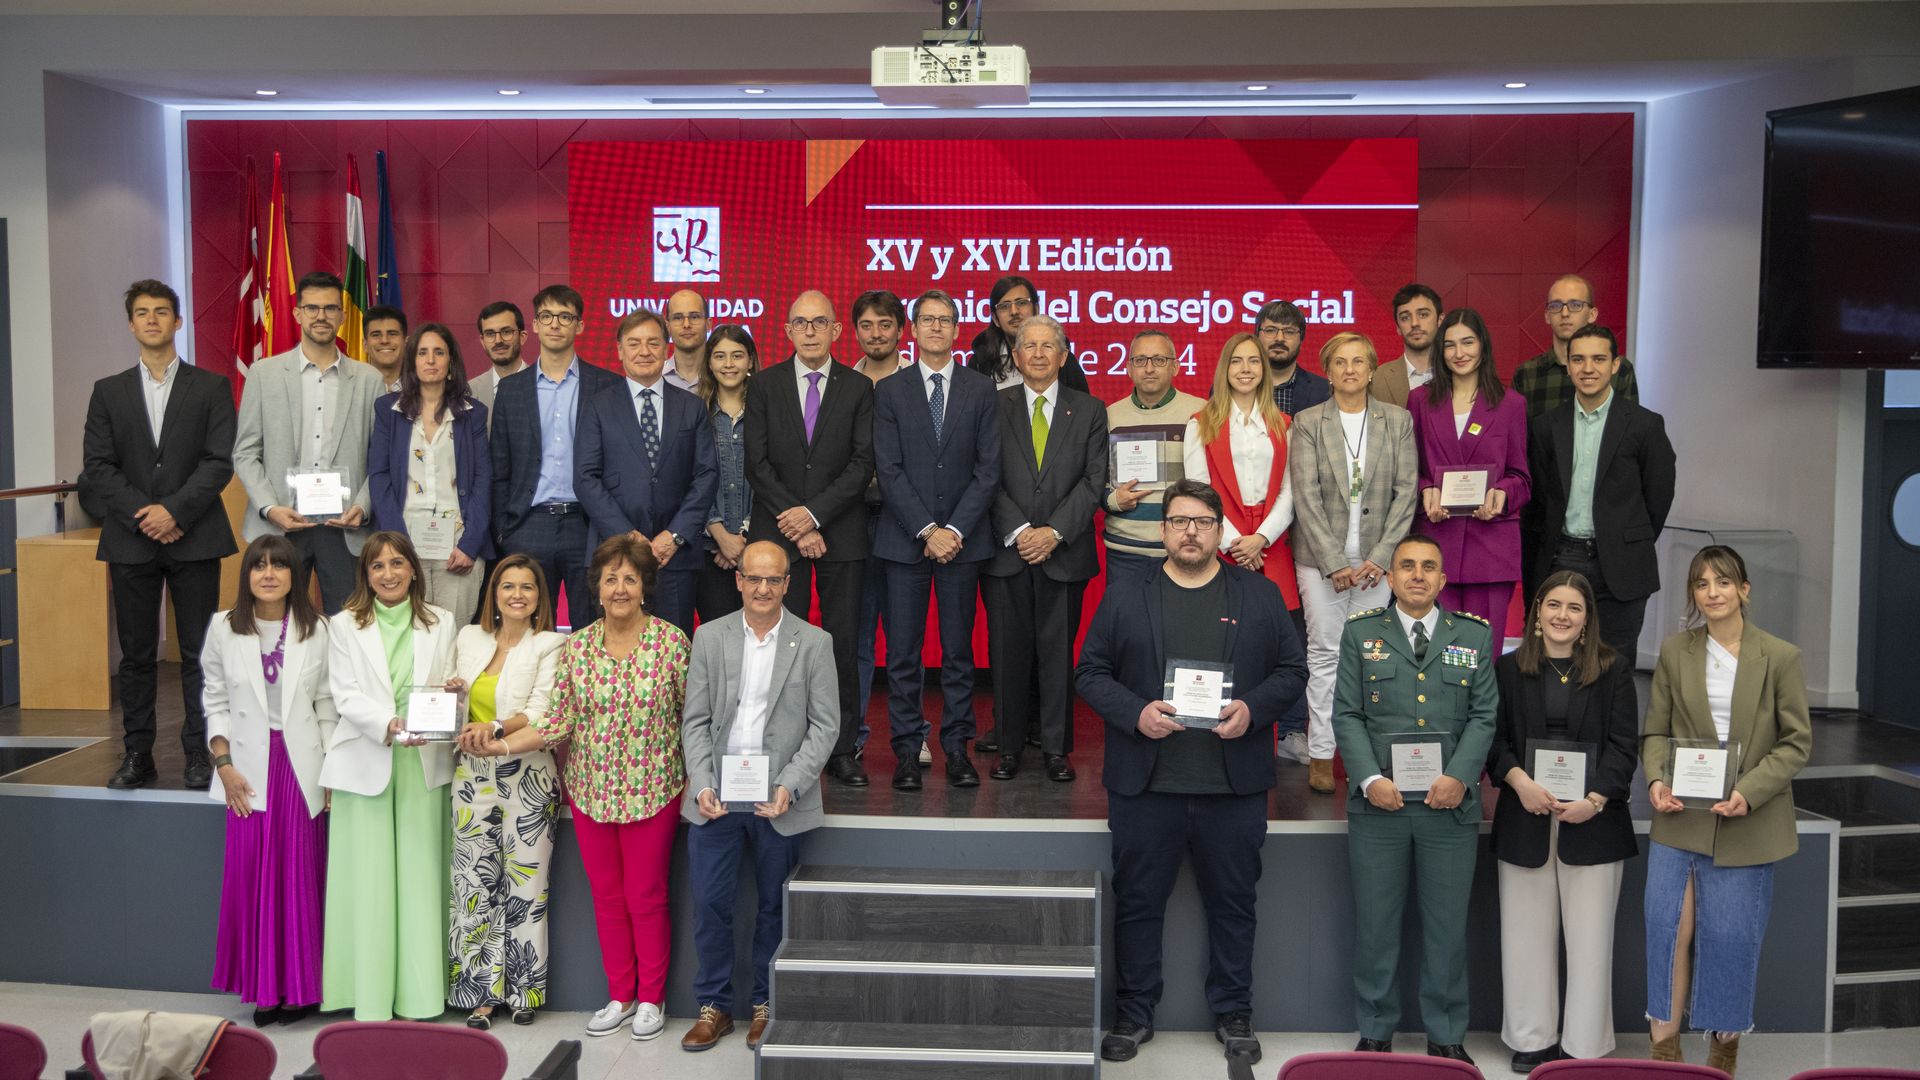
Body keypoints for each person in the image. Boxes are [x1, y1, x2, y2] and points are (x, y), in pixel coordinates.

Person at [1075, 479, 1307, 1066]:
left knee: (1233, 904)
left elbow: (1292, 671)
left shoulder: (1259, 594)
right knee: (1137, 904)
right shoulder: (1126, 595)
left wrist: (1253, 709)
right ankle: (1134, 1014)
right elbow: (1090, 672)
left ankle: (1234, 1013)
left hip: (1232, 785)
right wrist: (1136, 713)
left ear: (1219, 531)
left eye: (1203, 522)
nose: (1190, 532)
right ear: (1163, 530)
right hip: (1145, 784)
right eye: (1179, 521)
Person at [490, 534, 689, 1042]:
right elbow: (557, 721)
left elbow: (692, 717)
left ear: (644, 587)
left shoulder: (671, 643)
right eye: (610, 579)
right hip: (591, 790)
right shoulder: (576, 647)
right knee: (607, 897)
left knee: (646, 896)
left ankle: (652, 999)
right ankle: (621, 996)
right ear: (596, 588)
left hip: (653, 788)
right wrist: (502, 745)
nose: (620, 588)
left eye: (630, 579)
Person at [1642, 545, 1811, 1076]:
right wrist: (1656, 779)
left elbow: (1796, 743)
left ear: (1744, 589)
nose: (1712, 592)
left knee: (1731, 940)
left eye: (1722, 582)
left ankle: (1721, 1060)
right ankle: (1665, 1057)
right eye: (1701, 583)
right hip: (1680, 813)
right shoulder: (1675, 651)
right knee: (1666, 932)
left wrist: (1750, 791)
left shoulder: (1780, 656)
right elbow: (1656, 731)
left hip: (1748, 819)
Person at [1333, 533, 1496, 1065]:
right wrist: (1367, 778)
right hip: (1379, 806)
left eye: (1428, 567)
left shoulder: (1472, 635)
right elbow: (1347, 714)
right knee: (1376, 926)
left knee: (1446, 928)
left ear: (1443, 579)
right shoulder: (1361, 633)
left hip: (1448, 807)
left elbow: (1484, 716)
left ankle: (1445, 1034)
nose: (1418, 575)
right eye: (1407, 566)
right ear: (1391, 576)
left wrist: (1461, 777)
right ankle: (1375, 1030)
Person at [679, 541, 841, 1052]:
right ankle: (714, 1006)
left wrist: (790, 785)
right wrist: (702, 782)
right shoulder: (710, 636)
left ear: (788, 584)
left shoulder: (814, 642)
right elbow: (695, 720)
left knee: (773, 906)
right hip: (718, 797)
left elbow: (825, 726)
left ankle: (764, 1004)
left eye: (773, 580)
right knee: (710, 903)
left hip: (778, 798)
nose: (763, 589)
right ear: (739, 580)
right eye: (754, 578)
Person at [82, 279, 238, 790]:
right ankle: (137, 754)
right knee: (136, 655)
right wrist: (145, 515)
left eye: (162, 311)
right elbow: (98, 466)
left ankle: (200, 754)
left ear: (178, 321)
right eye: (143, 312)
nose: (152, 319)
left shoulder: (211, 386)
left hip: (195, 536)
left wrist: (174, 511)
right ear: (131, 324)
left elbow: (219, 462)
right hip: (131, 541)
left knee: (198, 654)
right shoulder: (108, 391)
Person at [1488, 570, 1639, 1072]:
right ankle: (1532, 1039)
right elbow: (1494, 740)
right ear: (1537, 612)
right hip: (1525, 813)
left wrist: (1594, 800)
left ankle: (1582, 1046)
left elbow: (1624, 746)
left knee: (1591, 942)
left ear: (1587, 618)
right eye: (1553, 604)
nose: (1562, 615)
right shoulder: (1508, 668)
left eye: (1574, 607)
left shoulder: (1614, 669)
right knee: (1525, 939)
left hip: (1593, 820)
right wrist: (1520, 783)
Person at [318, 531, 459, 1021]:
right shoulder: (342, 625)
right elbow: (344, 694)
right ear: (366, 574)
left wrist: (452, 696)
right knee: (369, 884)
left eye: (397, 563)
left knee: (421, 880)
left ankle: (421, 997)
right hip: (367, 758)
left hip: (423, 762)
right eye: (377, 566)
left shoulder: (442, 621)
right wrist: (390, 724)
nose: (389, 573)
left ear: (414, 569)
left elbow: (447, 685)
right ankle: (370, 994)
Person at [743, 291, 874, 787]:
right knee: (777, 644)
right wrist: (797, 522)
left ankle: (842, 749)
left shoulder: (859, 387)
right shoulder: (764, 385)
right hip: (778, 535)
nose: (811, 331)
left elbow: (863, 462)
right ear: (788, 331)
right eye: (802, 322)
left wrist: (815, 516)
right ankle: (781, 744)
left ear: (837, 330)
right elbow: (757, 463)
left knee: (842, 644)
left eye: (820, 322)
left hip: (841, 532)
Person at [872, 290, 1001, 790]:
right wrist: (928, 530)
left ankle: (958, 749)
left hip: (963, 544)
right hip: (904, 542)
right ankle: (908, 751)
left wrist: (954, 531)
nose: (935, 327)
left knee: (958, 655)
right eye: (927, 319)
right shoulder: (890, 390)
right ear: (913, 328)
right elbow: (888, 469)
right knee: (903, 655)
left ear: (957, 329)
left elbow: (988, 471)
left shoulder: (981, 389)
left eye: (944, 320)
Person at [205, 534, 333, 1026]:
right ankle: (264, 988)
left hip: (301, 767)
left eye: (278, 565)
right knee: (254, 879)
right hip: (245, 772)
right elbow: (215, 700)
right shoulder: (223, 627)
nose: (268, 574)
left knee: (299, 877)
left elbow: (326, 703)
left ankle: (300, 989)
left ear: (293, 575)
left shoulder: (316, 628)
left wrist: (330, 771)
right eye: (258, 566)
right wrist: (224, 765)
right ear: (247, 576)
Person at [1289, 332, 1418, 794]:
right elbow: (1305, 496)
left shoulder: (1397, 421)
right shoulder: (1308, 421)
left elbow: (1407, 492)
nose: (1349, 369)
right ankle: (1322, 753)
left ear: (1371, 369)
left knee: (1373, 656)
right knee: (1325, 654)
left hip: (1376, 564)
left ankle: (1368, 757)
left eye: (1358, 361)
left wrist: (1381, 557)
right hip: (1320, 561)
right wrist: (1332, 561)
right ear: (1327, 372)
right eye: (1340, 362)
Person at [983, 314, 1108, 783]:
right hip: (1007, 554)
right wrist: (1020, 530)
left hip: (1065, 554)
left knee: (1057, 658)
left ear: (1063, 355)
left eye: (1047, 346)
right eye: (1028, 347)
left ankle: (1056, 749)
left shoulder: (1089, 409)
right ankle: (1008, 747)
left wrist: (1053, 532)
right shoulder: (992, 405)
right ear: (1015, 357)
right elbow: (984, 475)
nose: (1037, 354)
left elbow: (1094, 479)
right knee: (1007, 656)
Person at [445, 555, 568, 1029]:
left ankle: (523, 991)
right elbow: (452, 701)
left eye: (527, 587)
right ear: (493, 594)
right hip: (472, 775)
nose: (517, 595)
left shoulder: (551, 643)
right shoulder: (468, 638)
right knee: (474, 886)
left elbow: (540, 710)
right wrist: (451, 695)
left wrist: (494, 728)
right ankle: (479, 993)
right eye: (508, 586)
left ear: (540, 597)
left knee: (526, 888)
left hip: (529, 778)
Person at [1183, 332, 1307, 762]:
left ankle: (1291, 731)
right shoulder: (1200, 423)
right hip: (1223, 543)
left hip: (1273, 543)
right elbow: (1199, 491)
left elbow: (1292, 491)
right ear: (1224, 368)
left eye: (1254, 361)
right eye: (1237, 361)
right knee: (1224, 637)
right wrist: (1236, 543)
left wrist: (1262, 539)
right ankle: (1213, 724)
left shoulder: (1285, 425)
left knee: (1285, 640)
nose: (1246, 369)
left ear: (1264, 370)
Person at [233, 270, 382, 615]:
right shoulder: (264, 374)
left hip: (343, 526)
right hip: (280, 524)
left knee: (347, 625)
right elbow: (245, 452)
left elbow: (381, 457)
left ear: (342, 316)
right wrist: (269, 507)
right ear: (297, 313)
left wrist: (363, 506)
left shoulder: (369, 379)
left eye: (330, 308)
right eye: (312, 308)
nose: (321, 316)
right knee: (277, 624)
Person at [1528, 325, 1677, 656]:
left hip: (1621, 563)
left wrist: (1623, 540)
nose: (1588, 368)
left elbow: (1658, 497)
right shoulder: (1546, 426)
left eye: (1598, 359)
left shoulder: (1645, 425)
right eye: (1578, 359)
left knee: (1615, 666)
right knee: (1557, 662)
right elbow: (1539, 501)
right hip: (1561, 558)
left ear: (1615, 365)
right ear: (1568, 366)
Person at [575, 306, 718, 635]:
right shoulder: (597, 406)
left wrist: (674, 536)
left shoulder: (692, 406)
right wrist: (628, 536)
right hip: (615, 556)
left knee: (674, 648)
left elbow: (706, 475)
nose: (644, 351)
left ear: (666, 348)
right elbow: (585, 478)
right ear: (619, 350)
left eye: (653, 343)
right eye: (634, 343)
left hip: (676, 557)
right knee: (614, 648)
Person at [488, 283, 622, 628]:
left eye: (565, 316)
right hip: (528, 524)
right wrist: (505, 531)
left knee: (592, 627)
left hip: (587, 524)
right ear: (534, 325)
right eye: (546, 316)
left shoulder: (607, 385)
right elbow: (499, 469)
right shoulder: (511, 390)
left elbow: (617, 463)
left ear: (580, 325)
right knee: (530, 628)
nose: (555, 324)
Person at [1512, 275, 1638, 598]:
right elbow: (1520, 450)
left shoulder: (1620, 371)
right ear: (1546, 315)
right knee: (1543, 618)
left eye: (1575, 305)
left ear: (1592, 314)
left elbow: (1630, 449)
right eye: (1557, 305)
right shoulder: (1528, 375)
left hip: (1605, 528)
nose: (1565, 312)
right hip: (1544, 526)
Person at [1408, 307, 1530, 626]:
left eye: (1468, 342)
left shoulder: (1511, 404)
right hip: (1436, 544)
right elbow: (1408, 471)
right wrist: (1426, 489)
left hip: (1490, 549)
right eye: (1449, 345)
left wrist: (1503, 494)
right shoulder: (1419, 400)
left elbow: (1521, 477)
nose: (1459, 353)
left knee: (1483, 647)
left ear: (1483, 345)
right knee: (1433, 648)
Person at [368, 323, 493, 624]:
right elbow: (380, 476)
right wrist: (397, 545)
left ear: (451, 361)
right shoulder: (389, 410)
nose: (431, 360)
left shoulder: (473, 413)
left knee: (453, 634)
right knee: (408, 633)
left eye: (439, 352)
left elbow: (482, 480)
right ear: (412, 361)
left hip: (458, 546)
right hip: (405, 543)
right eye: (422, 353)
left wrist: (470, 545)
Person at [849, 290, 909, 763]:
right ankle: (853, 734)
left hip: (904, 522)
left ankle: (913, 735)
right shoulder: (843, 383)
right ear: (854, 331)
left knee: (905, 638)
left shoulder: (919, 383)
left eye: (884, 324)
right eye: (867, 325)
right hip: (851, 522)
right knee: (857, 639)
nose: (876, 334)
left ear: (901, 330)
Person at [1102, 328, 1205, 589]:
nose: (1149, 368)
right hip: (1125, 551)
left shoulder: (1201, 412)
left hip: (1183, 548)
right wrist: (1113, 500)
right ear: (1128, 368)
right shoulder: (1109, 416)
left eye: (1159, 360)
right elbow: (1092, 480)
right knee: (1125, 617)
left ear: (1176, 367)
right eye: (1140, 360)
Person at [694, 325, 760, 625]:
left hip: (759, 547)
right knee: (719, 638)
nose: (729, 364)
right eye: (720, 356)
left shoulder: (768, 409)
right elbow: (689, 478)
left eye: (737, 355)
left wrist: (742, 537)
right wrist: (721, 536)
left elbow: (774, 476)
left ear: (750, 360)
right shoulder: (694, 412)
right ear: (709, 362)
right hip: (708, 550)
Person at [965, 274, 1090, 394]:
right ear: (995, 319)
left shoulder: (1062, 358)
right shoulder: (980, 363)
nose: (1014, 311)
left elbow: (1081, 404)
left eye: (1021, 303)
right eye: (1004, 306)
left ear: (1036, 309)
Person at [1370, 284, 1441, 409]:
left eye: (1423, 315)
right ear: (1397, 327)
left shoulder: (1457, 373)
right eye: (1405, 318)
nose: (1414, 323)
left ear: (1440, 320)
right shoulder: (1377, 379)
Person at [1255, 299, 1329, 418]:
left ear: (1301, 338)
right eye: (1270, 330)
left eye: (1289, 332)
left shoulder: (1325, 391)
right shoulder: (1236, 386)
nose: (1279, 339)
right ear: (1257, 335)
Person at [470, 301, 527, 429]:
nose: (498, 341)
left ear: (522, 337)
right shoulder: (468, 393)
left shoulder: (543, 386)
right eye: (490, 334)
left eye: (506, 332)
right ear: (482, 341)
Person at [663, 289, 710, 392]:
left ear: (708, 324)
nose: (686, 325)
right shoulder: (655, 377)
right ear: (668, 327)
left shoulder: (724, 375)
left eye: (695, 317)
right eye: (678, 318)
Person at [363, 305, 409, 394]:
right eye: (376, 335)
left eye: (392, 334)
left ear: (406, 343)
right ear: (365, 345)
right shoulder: (350, 388)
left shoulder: (423, 388)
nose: (384, 340)